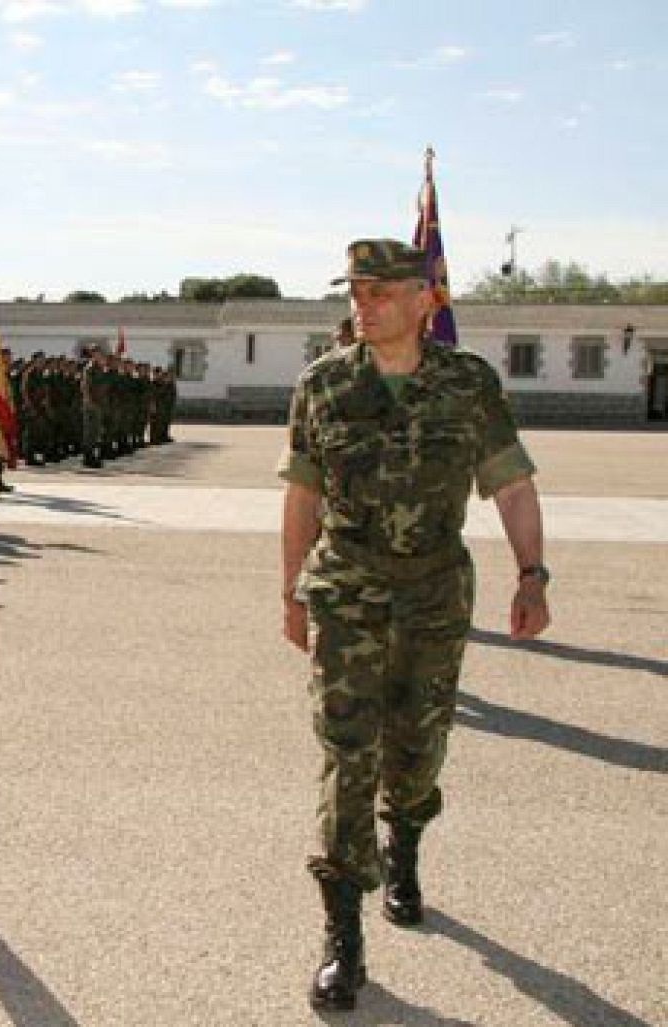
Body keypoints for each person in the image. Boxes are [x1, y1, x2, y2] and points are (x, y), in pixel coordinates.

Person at [279, 239, 551, 1011]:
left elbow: (512, 484)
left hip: (434, 591)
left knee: (419, 745)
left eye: (380, 292)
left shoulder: (468, 383)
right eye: (356, 292)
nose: (363, 305)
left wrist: (532, 574)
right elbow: (301, 494)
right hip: (347, 588)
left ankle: (403, 839)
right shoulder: (324, 383)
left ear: (425, 299)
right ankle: (343, 935)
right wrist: (291, 593)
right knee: (346, 751)